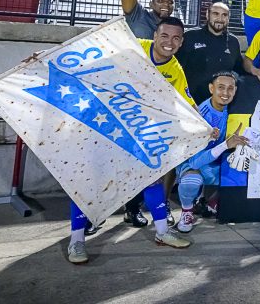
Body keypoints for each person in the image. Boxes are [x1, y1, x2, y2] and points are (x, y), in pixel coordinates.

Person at [67, 17, 196, 264]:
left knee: (152, 178)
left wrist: (204, 127)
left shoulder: (175, 69)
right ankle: (76, 242)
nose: (169, 42)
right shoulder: (133, 47)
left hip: (137, 132)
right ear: (155, 35)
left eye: (176, 38)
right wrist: (45, 57)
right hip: (103, 125)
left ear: (181, 42)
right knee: (87, 182)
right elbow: (87, 59)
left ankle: (161, 233)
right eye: (165, 36)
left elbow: (186, 104)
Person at [117, 0, 177, 230]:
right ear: (151, 2)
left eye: (169, 1)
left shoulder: (174, 34)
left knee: (149, 159)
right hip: (127, 94)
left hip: (156, 101)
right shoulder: (137, 16)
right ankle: (92, 214)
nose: (164, 4)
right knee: (122, 155)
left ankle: (133, 208)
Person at [176, 71, 250, 233]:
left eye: (230, 88)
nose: (225, 93)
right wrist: (225, 145)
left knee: (249, 166)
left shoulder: (231, 108)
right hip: (193, 164)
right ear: (211, 88)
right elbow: (194, 161)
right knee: (192, 182)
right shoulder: (201, 116)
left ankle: (210, 204)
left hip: (214, 164)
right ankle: (187, 211)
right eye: (220, 87)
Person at [175, 2, 246, 104]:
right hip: (190, 103)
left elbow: (239, 71)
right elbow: (175, 66)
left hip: (220, 106)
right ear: (207, 15)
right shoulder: (190, 37)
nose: (220, 19)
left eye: (224, 15)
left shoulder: (233, 42)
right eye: (215, 14)